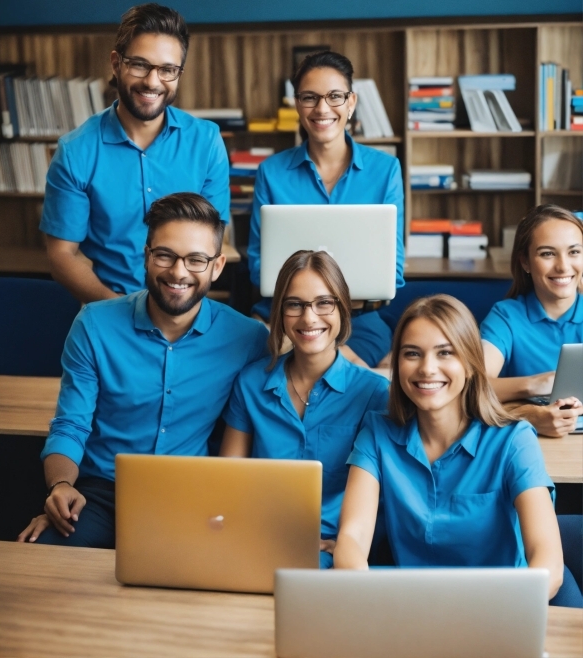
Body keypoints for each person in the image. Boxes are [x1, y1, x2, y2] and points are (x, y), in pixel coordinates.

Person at [18, 193, 268, 547]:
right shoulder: (94, 325)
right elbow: (71, 425)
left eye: (196, 259)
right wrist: (61, 488)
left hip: (192, 497)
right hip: (101, 493)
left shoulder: (249, 339)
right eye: (165, 255)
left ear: (217, 266)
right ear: (146, 256)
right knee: (44, 557)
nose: (178, 272)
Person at [333, 294, 573, 605]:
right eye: (412, 354)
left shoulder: (514, 440)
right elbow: (353, 536)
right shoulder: (377, 433)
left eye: (445, 353)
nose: (427, 368)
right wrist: (359, 588)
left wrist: (508, 611)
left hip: (502, 607)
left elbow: (549, 564)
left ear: (471, 364)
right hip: (412, 606)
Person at [40, 3, 230, 303]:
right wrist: (117, 312)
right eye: (140, 64)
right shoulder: (75, 152)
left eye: (167, 70)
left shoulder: (206, 142)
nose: (153, 82)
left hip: (186, 308)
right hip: (107, 307)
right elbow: (62, 256)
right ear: (116, 64)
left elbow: (215, 238)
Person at [220, 250, 389, 568]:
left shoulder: (373, 393)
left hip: (331, 550)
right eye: (294, 304)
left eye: (324, 303)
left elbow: (382, 500)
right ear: (280, 313)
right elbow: (229, 480)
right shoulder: (251, 383)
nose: (309, 318)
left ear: (343, 309)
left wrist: (346, 545)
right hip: (256, 539)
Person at [246, 50, 404, 368]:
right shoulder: (271, 172)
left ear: (351, 102)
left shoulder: (385, 170)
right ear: (297, 104)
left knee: (335, 372)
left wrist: (326, 299)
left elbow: (393, 273)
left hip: (359, 320)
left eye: (334, 96)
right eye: (310, 98)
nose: (322, 109)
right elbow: (258, 267)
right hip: (286, 316)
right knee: (264, 367)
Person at [480, 204, 583, 437]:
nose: (563, 266)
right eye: (547, 253)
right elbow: (472, 384)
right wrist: (536, 385)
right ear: (525, 262)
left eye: (574, 252)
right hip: (528, 441)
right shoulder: (505, 316)